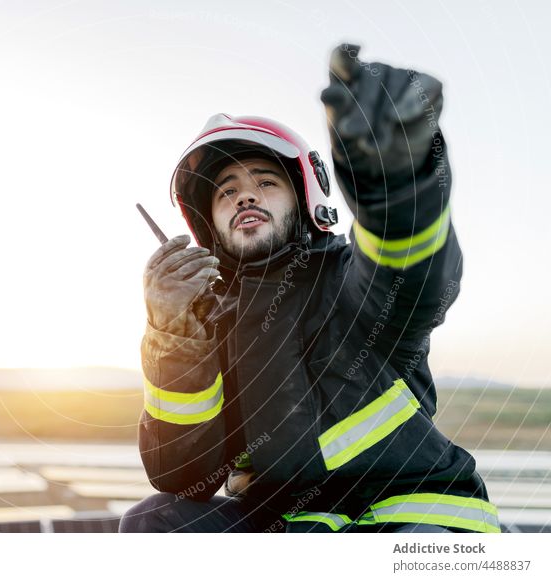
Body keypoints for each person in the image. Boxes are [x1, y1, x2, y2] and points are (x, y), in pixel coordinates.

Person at [119, 45, 500, 533]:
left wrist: (395, 184)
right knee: (154, 523)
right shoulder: (206, 328)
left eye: (265, 181)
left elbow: (411, 272)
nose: (246, 195)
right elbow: (182, 477)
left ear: (305, 201)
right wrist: (171, 336)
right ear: (207, 223)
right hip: (292, 527)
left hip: (410, 518)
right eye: (226, 190)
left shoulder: (349, 277)